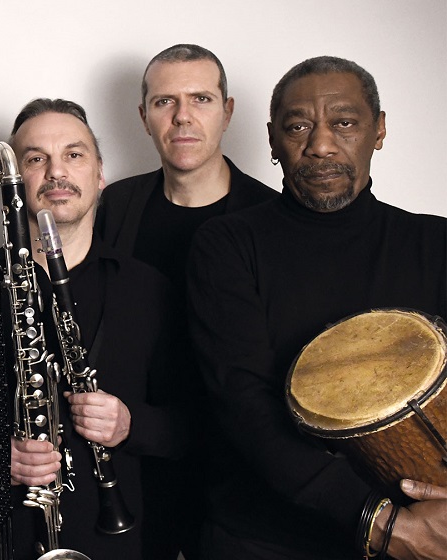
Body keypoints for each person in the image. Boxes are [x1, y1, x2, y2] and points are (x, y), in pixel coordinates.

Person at [187, 56, 447, 559]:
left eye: (344, 122)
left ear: (379, 129)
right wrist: (384, 525)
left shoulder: (436, 243)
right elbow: (244, 404)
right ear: (271, 140)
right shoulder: (227, 244)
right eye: (298, 126)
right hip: (264, 541)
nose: (321, 145)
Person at [96, 43, 277, 560]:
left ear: (228, 111)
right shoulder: (115, 206)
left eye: (200, 98)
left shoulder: (271, 217)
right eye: (164, 102)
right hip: (136, 466)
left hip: (238, 476)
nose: (182, 116)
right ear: (144, 117)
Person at [0, 98, 184, 559]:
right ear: (13, 183)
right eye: (36, 159)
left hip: (119, 543)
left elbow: (195, 425)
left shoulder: (149, 288)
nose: (56, 172)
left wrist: (132, 424)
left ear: (100, 175)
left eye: (74, 155)